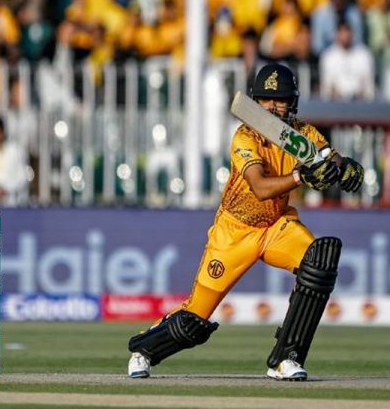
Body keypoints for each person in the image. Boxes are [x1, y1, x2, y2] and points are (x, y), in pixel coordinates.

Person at [126, 62, 364, 381]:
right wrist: (301, 176)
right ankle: (143, 350)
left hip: (276, 226)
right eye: (266, 99)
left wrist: (345, 168)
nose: (273, 106)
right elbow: (260, 187)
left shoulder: (303, 134)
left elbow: (327, 158)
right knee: (194, 320)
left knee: (319, 261)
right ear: (255, 102)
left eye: (281, 99)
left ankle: (286, 359)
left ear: (292, 102)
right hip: (234, 231)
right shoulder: (244, 137)